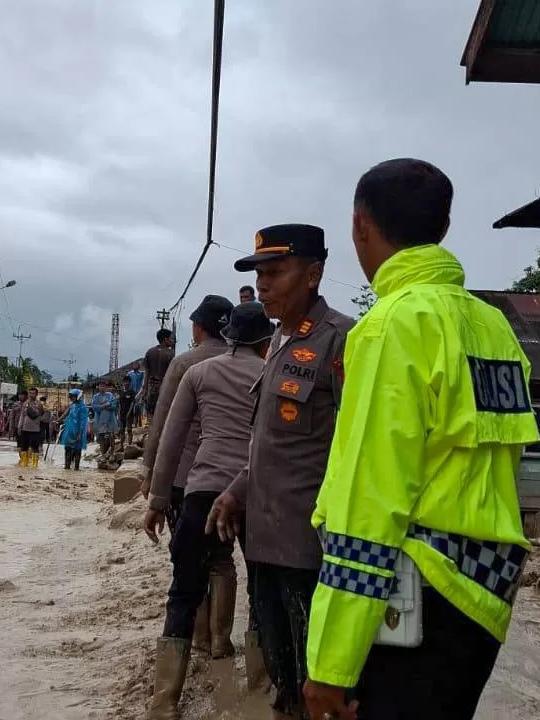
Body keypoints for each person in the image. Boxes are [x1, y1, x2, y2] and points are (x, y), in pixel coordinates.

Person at [298, 160, 538, 720]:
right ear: (443, 228)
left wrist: (330, 665)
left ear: (360, 226)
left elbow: (369, 498)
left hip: (412, 605)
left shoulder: (391, 326)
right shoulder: (494, 326)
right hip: (484, 596)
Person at [208, 223, 355, 719]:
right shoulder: (277, 343)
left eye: (275, 272)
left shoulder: (342, 341)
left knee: (322, 687)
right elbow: (271, 442)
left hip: (312, 553)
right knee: (282, 676)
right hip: (265, 545)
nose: (263, 285)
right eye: (259, 274)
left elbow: (355, 448)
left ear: (313, 275)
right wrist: (237, 491)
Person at [142, 302, 274, 718]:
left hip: (202, 491)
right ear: (265, 342)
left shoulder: (197, 372)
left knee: (183, 591)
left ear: (228, 336)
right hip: (255, 493)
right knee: (262, 590)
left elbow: (171, 439)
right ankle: (259, 692)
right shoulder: (271, 373)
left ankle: (164, 702)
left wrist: (157, 500)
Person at [140, 294, 235, 661]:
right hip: (233, 479)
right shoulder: (249, 362)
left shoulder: (185, 364)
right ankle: (222, 639)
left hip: (185, 478)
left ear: (198, 328)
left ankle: (199, 636)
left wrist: (150, 475)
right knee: (222, 556)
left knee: (187, 557)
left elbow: (164, 425)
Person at [143, 329, 177, 421]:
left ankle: (151, 427)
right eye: (171, 338)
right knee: (164, 415)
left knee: (151, 415)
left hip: (152, 387)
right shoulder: (170, 354)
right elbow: (172, 374)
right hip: (165, 387)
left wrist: (145, 389)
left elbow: (147, 373)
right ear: (166, 339)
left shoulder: (150, 352)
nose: (173, 341)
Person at [59, 388, 89, 470]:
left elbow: (83, 422)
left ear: (78, 397)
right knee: (67, 448)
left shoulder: (82, 407)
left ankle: (76, 468)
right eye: (71, 396)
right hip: (69, 430)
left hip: (78, 430)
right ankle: (67, 467)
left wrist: (80, 433)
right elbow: (65, 413)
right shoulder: (71, 405)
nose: (71, 398)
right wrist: (58, 420)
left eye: (73, 396)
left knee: (77, 450)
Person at [17, 387, 46, 468]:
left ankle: (35, 466)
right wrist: (19, 427)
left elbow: (37, 414)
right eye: (30, 393)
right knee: (24, 448)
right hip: (25, 429)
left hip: (35, 430)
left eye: (33, 393)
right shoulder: (25, 403)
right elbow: (22, 416)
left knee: (35, 448)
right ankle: (24, 465)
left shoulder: (39, 404)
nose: (31, 395)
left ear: (36, 394)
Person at [90, 381, 119, 455]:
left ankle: (112, 453)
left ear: (106, 387)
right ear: (98, 387)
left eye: (104, 386)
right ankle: (103, 453)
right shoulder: (95, 397)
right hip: (99, 420)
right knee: (101, 437)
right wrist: (104, 405)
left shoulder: (110, 395)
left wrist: (105, 407)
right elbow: (94, 407)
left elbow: (113, 405)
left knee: (111, 436)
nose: (102, 387)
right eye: (101, 386)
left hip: (110, 419)